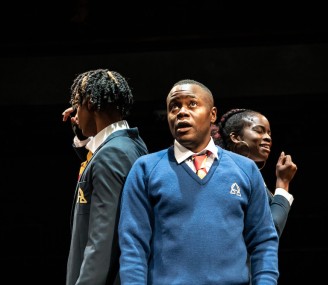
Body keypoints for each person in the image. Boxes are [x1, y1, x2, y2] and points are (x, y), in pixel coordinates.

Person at [118, 79, 279, 284]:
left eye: (192, 104)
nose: (181, 112)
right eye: (174, 107)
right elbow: (133, 245)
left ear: (212, 114)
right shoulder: (145, 169)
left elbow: (263, 241)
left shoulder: (245, 170)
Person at [64, 68, 149, 285]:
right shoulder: (130, 144)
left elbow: (103, 239)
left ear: (90, 103)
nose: (75, 111)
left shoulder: (111, 155)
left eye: (77, 103)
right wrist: (80, 132)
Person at [211, 108, 297, 237]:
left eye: (269, 133)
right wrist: (283, 183)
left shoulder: (247, 174)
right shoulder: (228, 175)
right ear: (235, 137)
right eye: (259, 131)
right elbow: (267, 231)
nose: (267, 138)